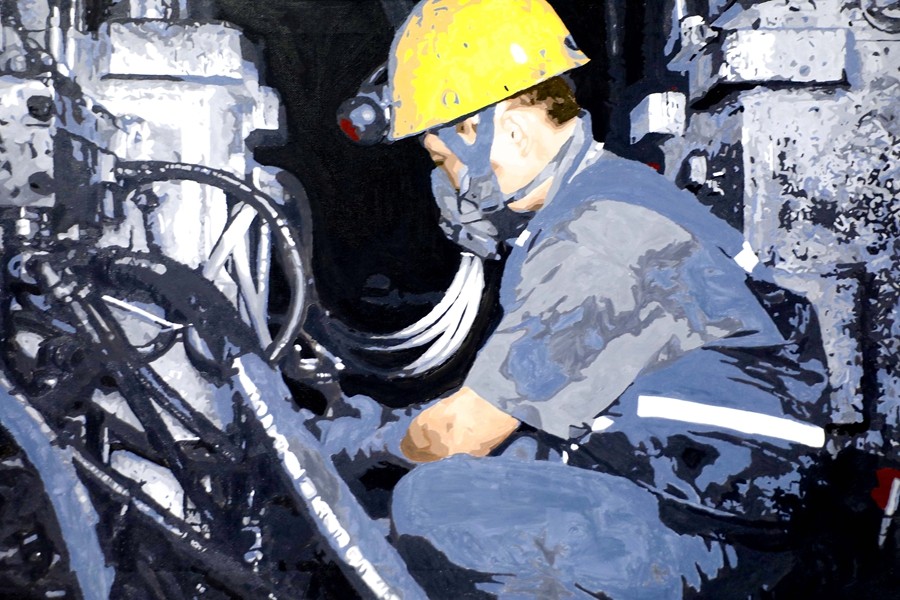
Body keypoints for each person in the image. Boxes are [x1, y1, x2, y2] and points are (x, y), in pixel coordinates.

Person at [373, 1, 832, 597]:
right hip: (690, 495)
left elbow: (466, 431)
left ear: (509, 132)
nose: (447, 184)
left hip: (709, 535)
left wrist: (361, 442)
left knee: (436, 501)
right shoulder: (610, 194)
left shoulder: (599, 235)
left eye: (443, 160)